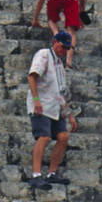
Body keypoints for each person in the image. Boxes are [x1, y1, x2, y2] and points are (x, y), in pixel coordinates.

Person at [26, 31, 77, 189]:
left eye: (67, 48)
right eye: (63, 47)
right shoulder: (44, 55)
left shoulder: (60, 65)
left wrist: (69, 115)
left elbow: (60, 92)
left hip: (55, 107)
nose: (64, 51)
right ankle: (36, 174)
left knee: (63, 136)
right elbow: (32, 76)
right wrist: (36, 100)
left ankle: (52, 173)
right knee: (44, 137)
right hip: (41, 105)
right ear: (55, 42)